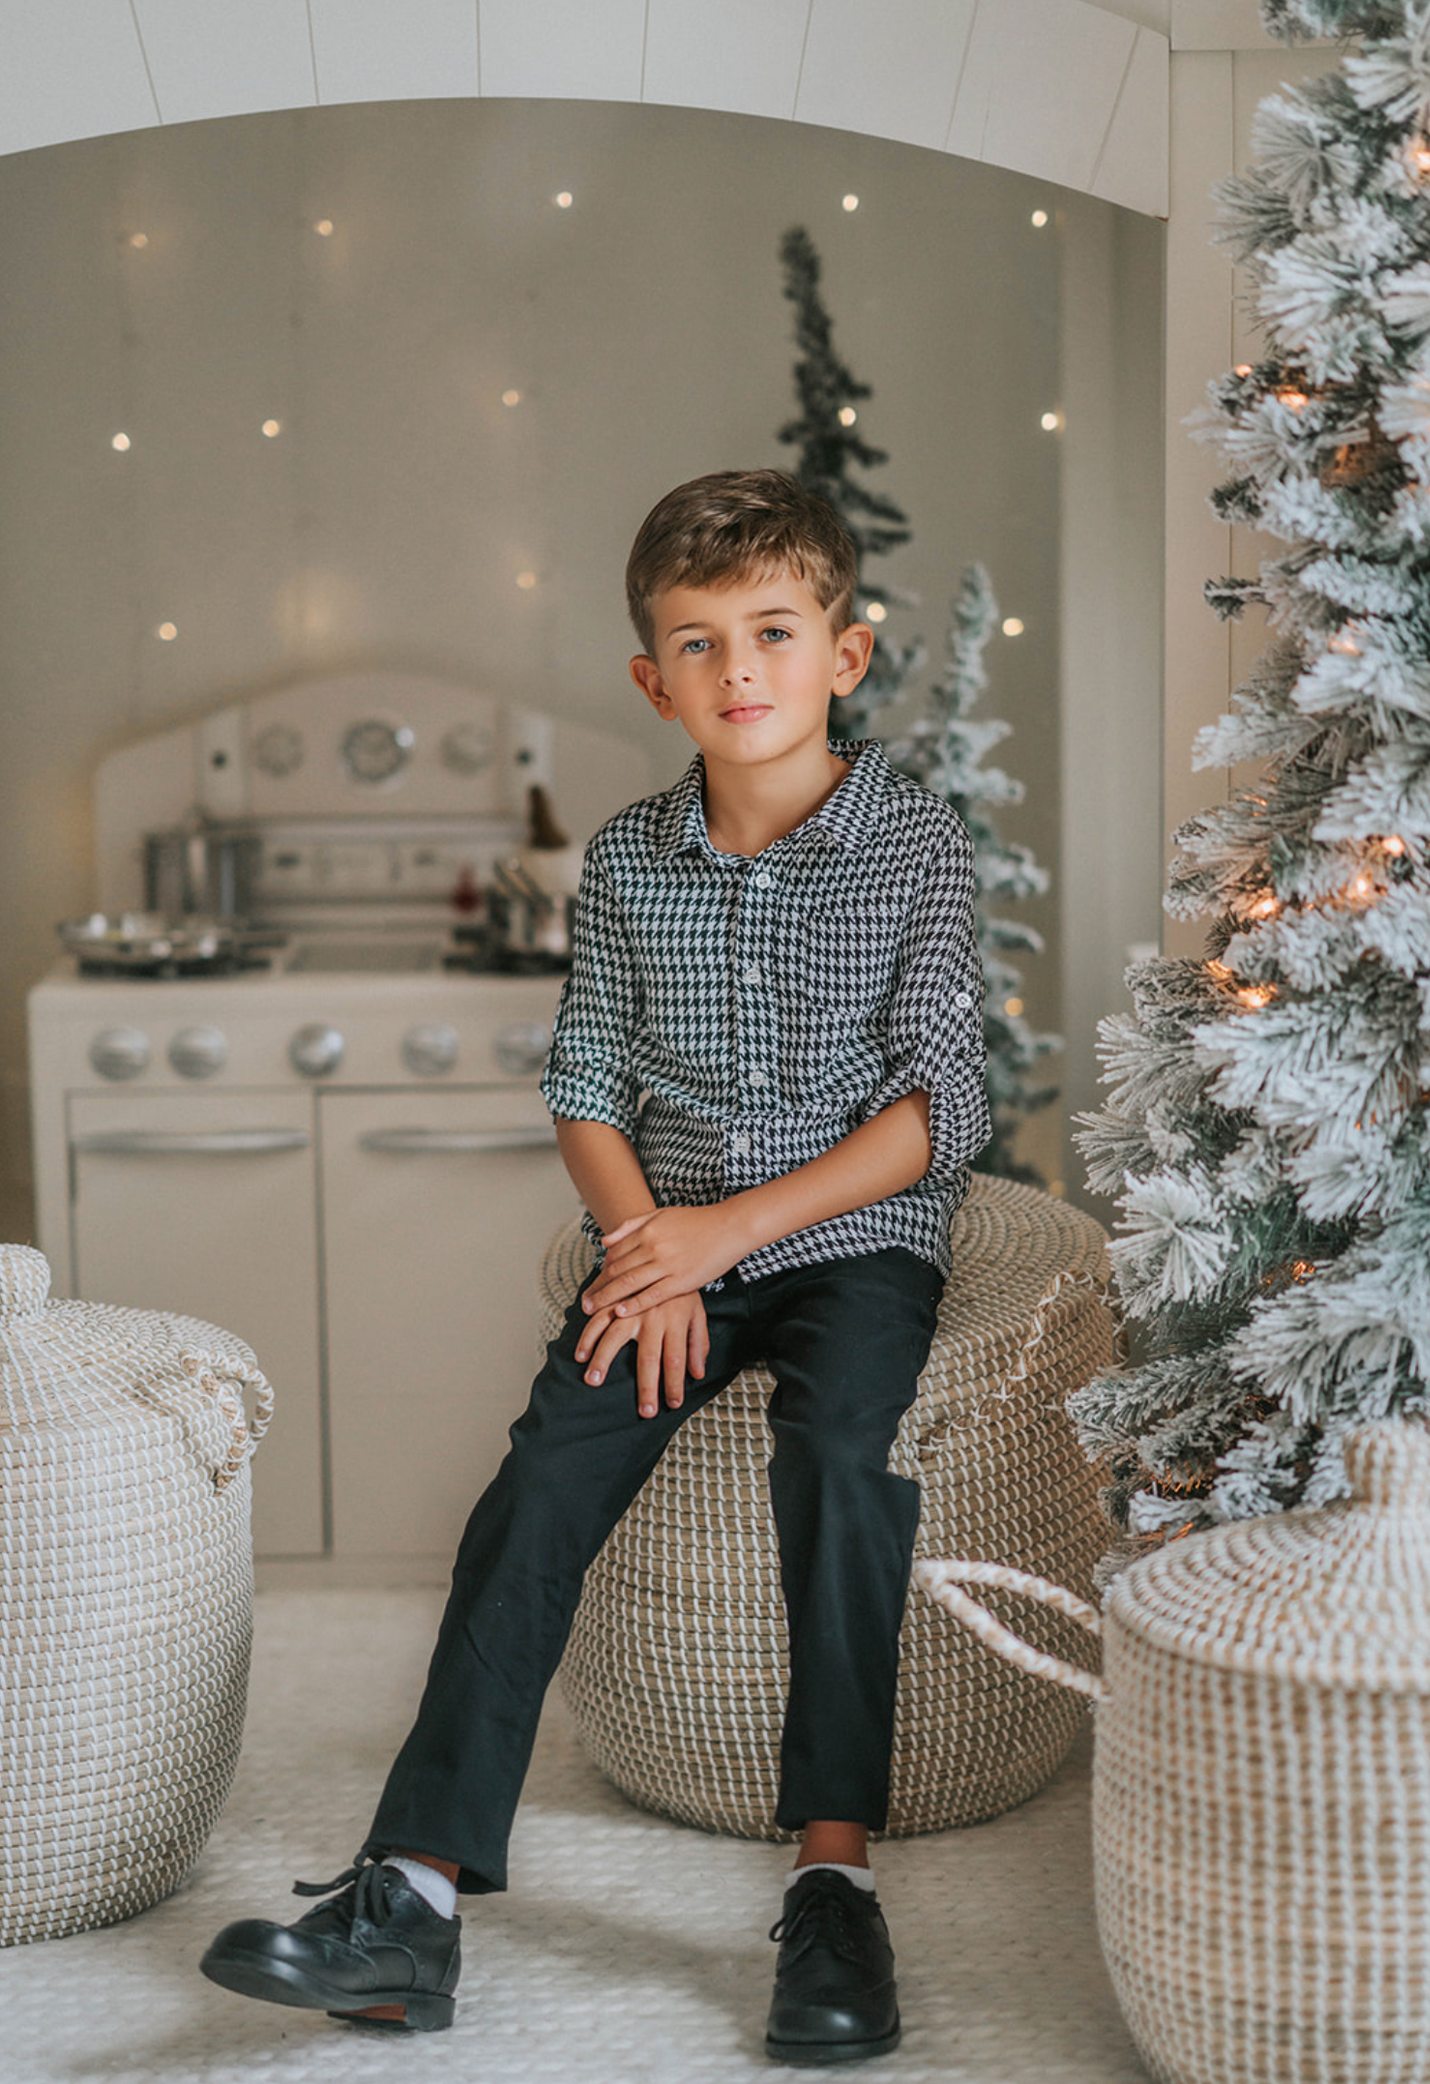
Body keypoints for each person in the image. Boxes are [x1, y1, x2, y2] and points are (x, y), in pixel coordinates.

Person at [200, 467, 990, 2065]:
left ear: (845, 651)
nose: (738, 670)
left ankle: (832, 1882)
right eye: (698, 644)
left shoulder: (912, 843)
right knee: (537, 1489)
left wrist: (731, 1232)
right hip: (666, 1246)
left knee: (842, 1458)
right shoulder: (630, 861)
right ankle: (408, 1904)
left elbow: (942, 1107)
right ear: (653, 680)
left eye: (773, 631)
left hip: (849, 1241)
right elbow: (584, 1083)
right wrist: (654, 1252)